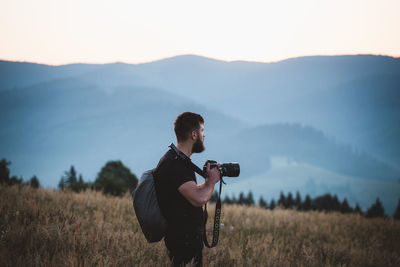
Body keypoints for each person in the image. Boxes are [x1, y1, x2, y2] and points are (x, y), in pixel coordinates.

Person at [154, 112, 221, 267]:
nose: (204, 135)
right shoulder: (176, 165)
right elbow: (199, 198)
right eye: (202, 131)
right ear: (193, 134)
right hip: (183, 243)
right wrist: (211, 181)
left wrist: (207, 181)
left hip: (184, 240)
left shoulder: (177, 161)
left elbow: (189, 192)